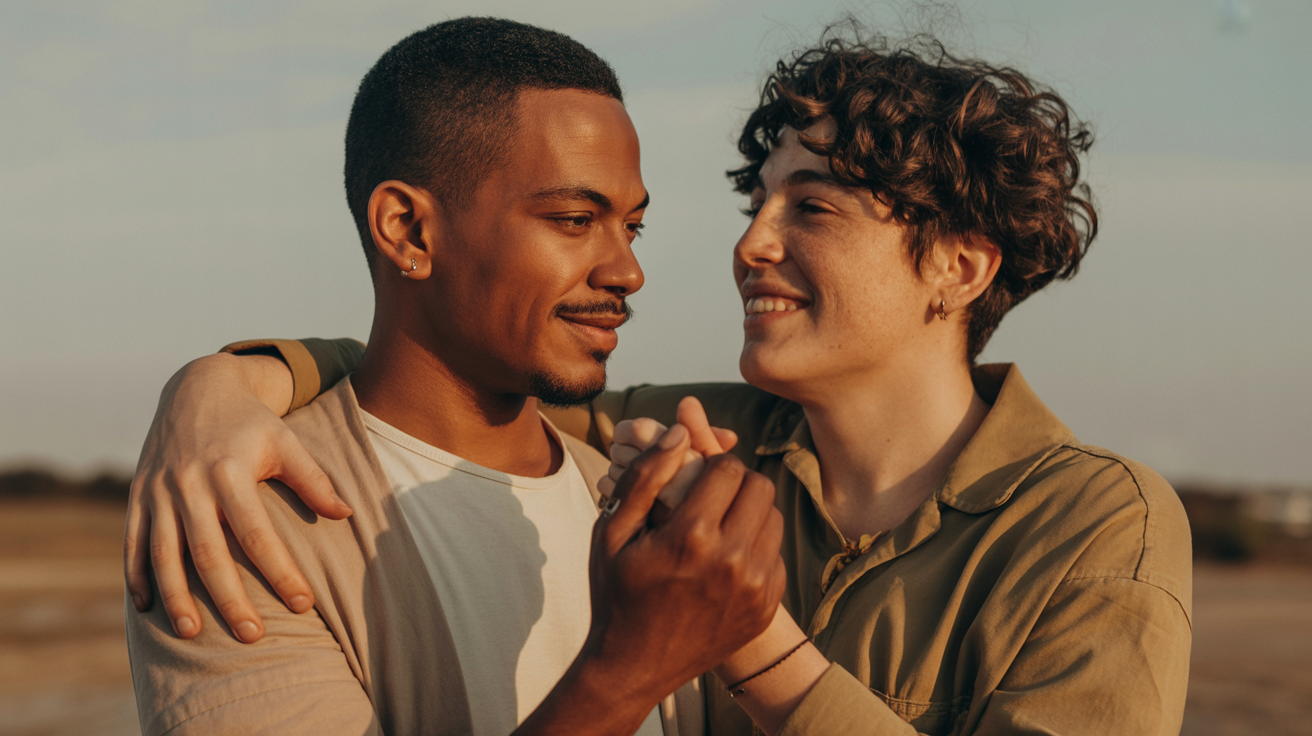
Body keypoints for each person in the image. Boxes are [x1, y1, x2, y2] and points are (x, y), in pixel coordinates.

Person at [127, 26, 1194, 736]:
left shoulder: (1094, 523)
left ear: (958, 266)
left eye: (810, 207)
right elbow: (432, 376)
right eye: (755, 206)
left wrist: (760, 650)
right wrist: (221, 384)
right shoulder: (661, 452)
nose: (746, 247)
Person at [122, 18, 787, 736]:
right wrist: (629, 671)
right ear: (407, 230)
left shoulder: (631, 498)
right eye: (572, 218)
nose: (627, 270)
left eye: (632, 226)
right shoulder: (243, 517)